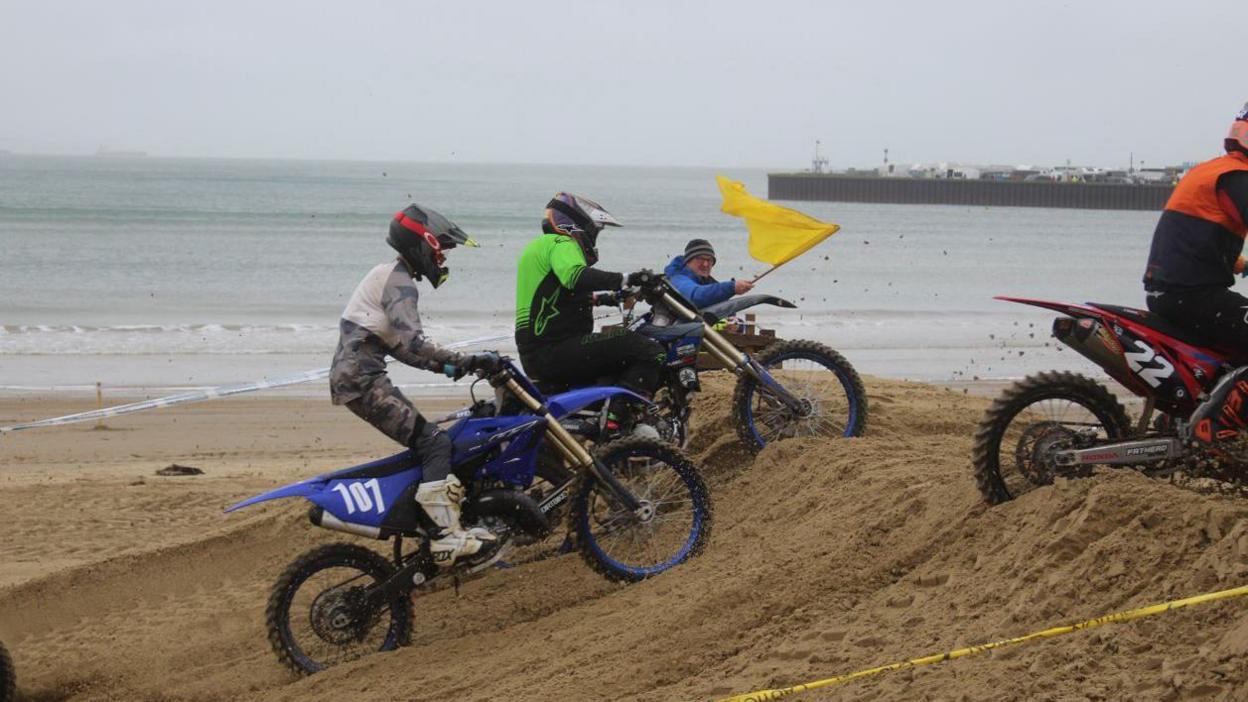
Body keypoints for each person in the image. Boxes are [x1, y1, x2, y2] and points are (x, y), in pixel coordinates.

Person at [330, 204, 501, 565]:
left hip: (358, 376)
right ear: (424, 244)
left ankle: (429, 520)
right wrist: (468, 360)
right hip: (362, 379)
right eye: (443, 249)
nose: (443, 258)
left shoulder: (389, 274)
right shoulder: (400, 283)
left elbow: (402, 350)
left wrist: (451, 371)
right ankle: (443, 536)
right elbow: (415, 343)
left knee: (427, 444)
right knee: (434, 442)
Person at [1143, 103, 1248, 444]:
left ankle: (1177, 421)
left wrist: (1240, 264)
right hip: (1193, 294)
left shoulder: (1211, 172)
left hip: (1172, 291)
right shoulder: (1236, 178)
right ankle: (1212, 428)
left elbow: (1195, 237)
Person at [514, 192, 664, 406]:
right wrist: (627, 278)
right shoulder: (561, 242)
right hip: (554, 350)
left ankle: (612, 419)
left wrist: (610, 297)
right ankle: (620, 415)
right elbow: (575, 277)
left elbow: (558, 295)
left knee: (619, 355)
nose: (594, 238)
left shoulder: (539, 247)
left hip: (540, 352)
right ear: (577, 225)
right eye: (595, 231)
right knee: (651, 352)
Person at [664, 238, 754, 308]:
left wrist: (735, 323)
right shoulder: (678, 279)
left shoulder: (711, 284)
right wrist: (731, 287)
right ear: (688, 261)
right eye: (700, 259)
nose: (705, 264)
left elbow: (725, 310)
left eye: (709, 260)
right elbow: (696, 297)